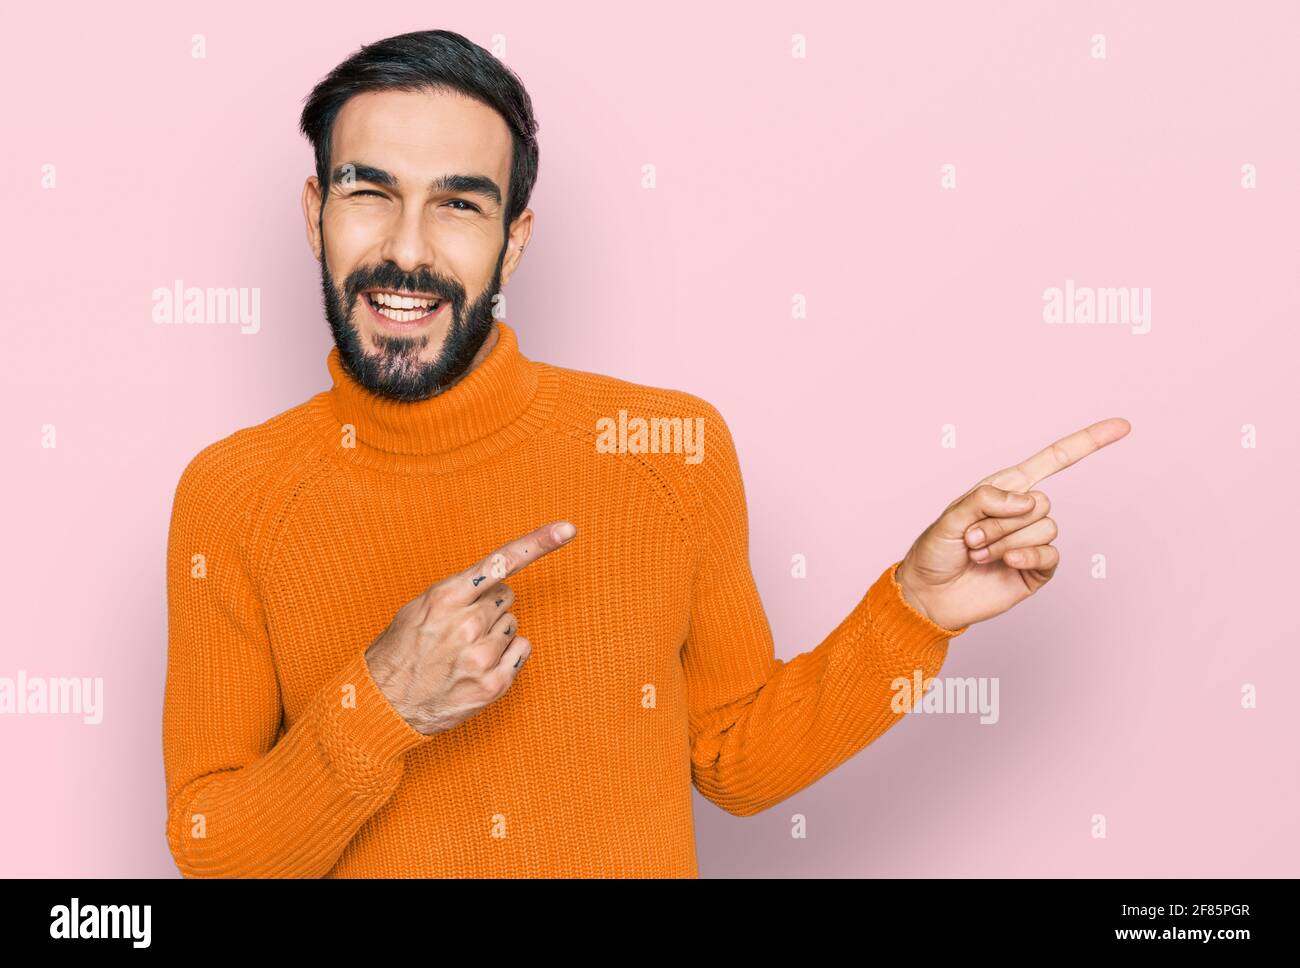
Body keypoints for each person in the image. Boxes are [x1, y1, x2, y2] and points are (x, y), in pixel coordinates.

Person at [162, 29, 1130, 878]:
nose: (406, 249)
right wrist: (384, 704)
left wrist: (913, 613)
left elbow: (736, 764)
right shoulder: (232, 492)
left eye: (458, 205)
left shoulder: (670, 450)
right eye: (369, 192)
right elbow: (215, 850)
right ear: (314, 214)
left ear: (513, 243)